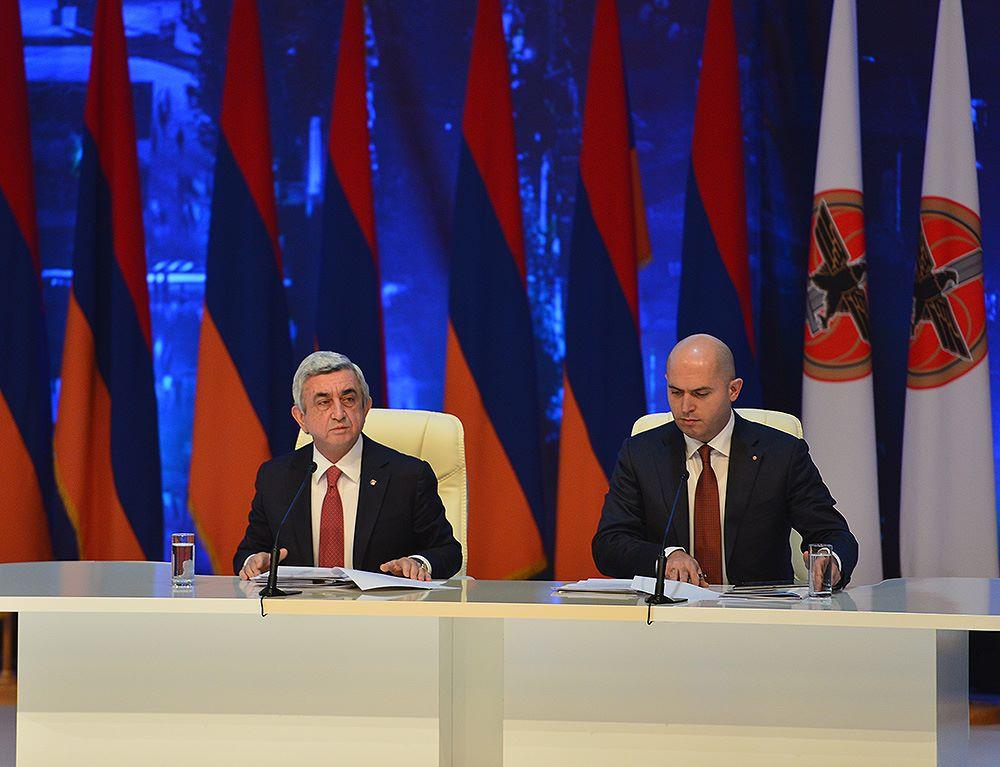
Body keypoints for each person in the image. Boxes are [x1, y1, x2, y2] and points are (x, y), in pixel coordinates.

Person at [592, 334, 858, 588]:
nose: (685, 407)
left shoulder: (781, 454)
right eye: (676, 392)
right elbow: (609, 544)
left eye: (700, 393)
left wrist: (830, 560)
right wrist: (666, 557)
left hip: (757, 610)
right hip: (672, 611)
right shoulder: (641, 454)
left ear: (733, 390)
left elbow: (832, 534)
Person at [235, 351, 462, 581]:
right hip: (301, 603)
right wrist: (254, 561)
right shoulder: (275, 477)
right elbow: (249, 551)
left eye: (348, 399)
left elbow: (448, 551)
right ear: (301, 418)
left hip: (382, 603)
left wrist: (418, 563)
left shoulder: (409, 476)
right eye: (324, 402)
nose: (339, 414)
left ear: (366, 407)